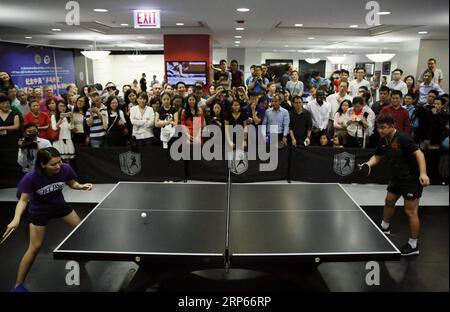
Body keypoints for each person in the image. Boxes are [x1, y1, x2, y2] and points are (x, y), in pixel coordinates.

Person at [5, 147, 93, 292]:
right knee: (35, 248)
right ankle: (18, 285)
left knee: (81, 229)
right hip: (39, 212)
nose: (58, 166)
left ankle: (80, 256)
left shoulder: (65, 168)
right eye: (53, 164)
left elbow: (72, 183)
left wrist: (81, 186)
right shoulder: (31, 177)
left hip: (59, 206)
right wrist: (16, 219)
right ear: (42, 164)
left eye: (59, 162)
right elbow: (23, 200)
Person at [362, 114, 430, 256]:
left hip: (411, 179)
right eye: (378, 128)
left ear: (392, 126)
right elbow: (377, 156)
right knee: (389, 201)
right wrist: (368, 164)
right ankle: (384, 228)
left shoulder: (403, 138)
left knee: (410, 211)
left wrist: (423, 174)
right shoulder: (383, 140)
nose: (380, 130)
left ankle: (413, 245)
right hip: (397, 177)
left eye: (383, 128)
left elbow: (419, 154)